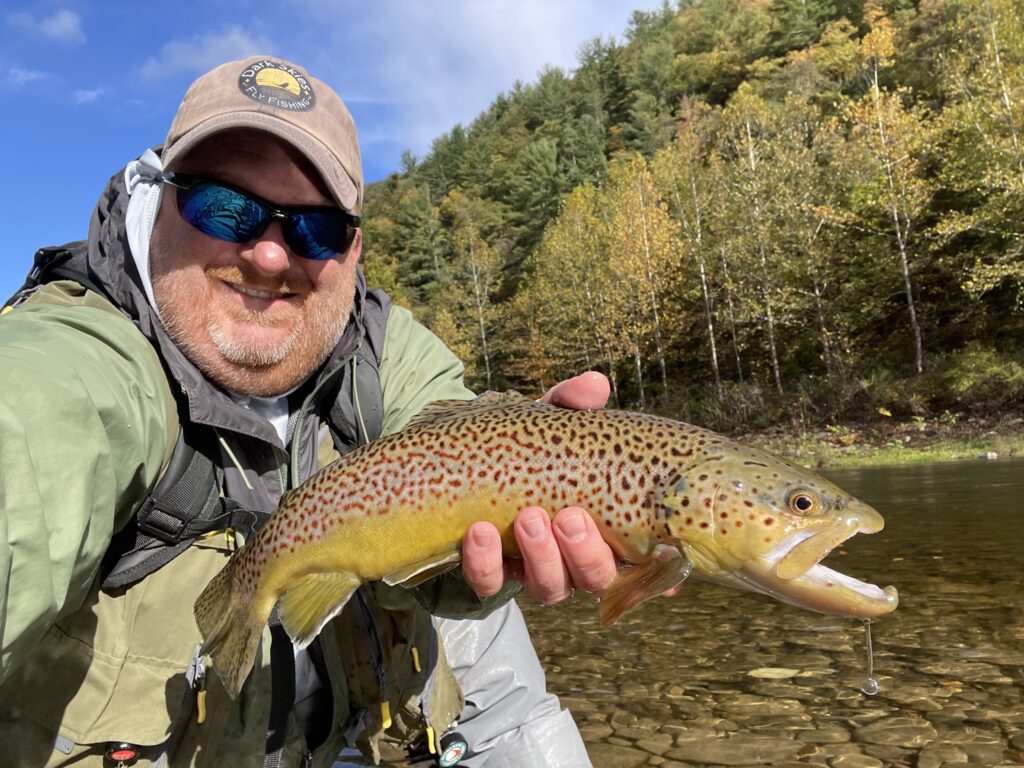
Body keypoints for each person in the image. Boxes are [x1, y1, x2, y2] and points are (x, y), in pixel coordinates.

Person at [0, 55, 620, 767]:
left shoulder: (383, 346)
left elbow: (454, 432)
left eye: (315, 228)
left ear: (352, 247)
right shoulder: (81, 362)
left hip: (357, 727)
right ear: (159, 198)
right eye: (224, 206)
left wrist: (519, 481)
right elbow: (26, 433)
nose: (268, 254)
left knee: (488, 622)